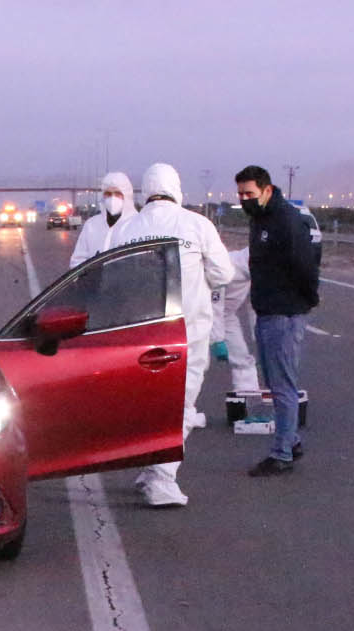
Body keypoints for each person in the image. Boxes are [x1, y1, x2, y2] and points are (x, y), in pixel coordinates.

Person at [111, 162, 235, 507]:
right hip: (186, 332)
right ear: (177, 187)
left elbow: (112, 281)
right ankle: (161, 481)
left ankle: (150, 469)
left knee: (149, 405)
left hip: (140, 333)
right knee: (179, 405)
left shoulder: (127, 229)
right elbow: (223, 273)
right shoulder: (197, 225)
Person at [234, 165, 319, 476]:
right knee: (273, 382)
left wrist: (305, 300)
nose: (245, 200)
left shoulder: (285, 220)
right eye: (241, 194)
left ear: (267, 189)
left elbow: (305, 265)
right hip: (267, 310)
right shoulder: (260, 220)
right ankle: (291, 440)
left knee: (283, 386)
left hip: (283, 313)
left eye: (250, 194)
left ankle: (281, 453)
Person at [212, 246, 259, 394]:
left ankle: (248, 400)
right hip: (199, 315)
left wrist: (259, 337)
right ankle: (183, 411)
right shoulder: (224, 267)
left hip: (227, 316)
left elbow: (256, 304)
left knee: (242, 359)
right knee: (195, 363)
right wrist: (217, 339)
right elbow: (214, 305)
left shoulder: (254, 273)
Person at [69, 171, 136, 268]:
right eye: (108, 194)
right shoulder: (91, 225)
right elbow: (77, 261)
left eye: (117, 193)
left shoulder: (137, 223)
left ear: (127, 195)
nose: (112, 198)